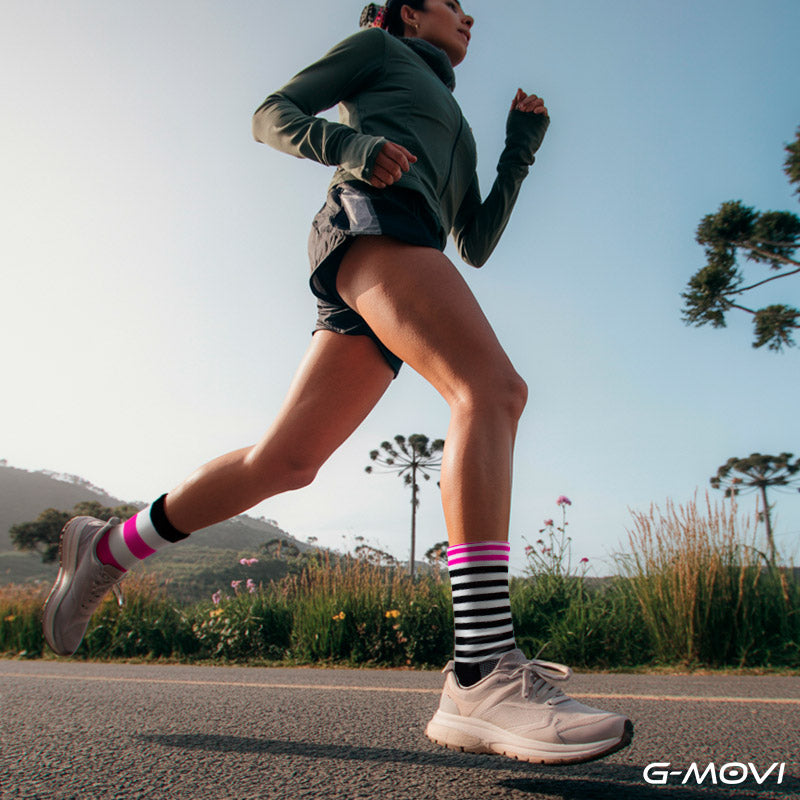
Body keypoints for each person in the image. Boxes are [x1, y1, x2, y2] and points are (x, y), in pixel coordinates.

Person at [42, 0, 633, 764]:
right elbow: (272, 114)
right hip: (371, 224)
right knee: (491, 391)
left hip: (407, 247)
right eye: (452, 2)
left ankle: (109, 547)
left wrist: (520, 147)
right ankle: (482, 669)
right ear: (406, 12)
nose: (469, 15)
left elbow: (476, 240)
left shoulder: (454, 119)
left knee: (285, 462)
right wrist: (351, 144)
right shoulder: (377, 51)